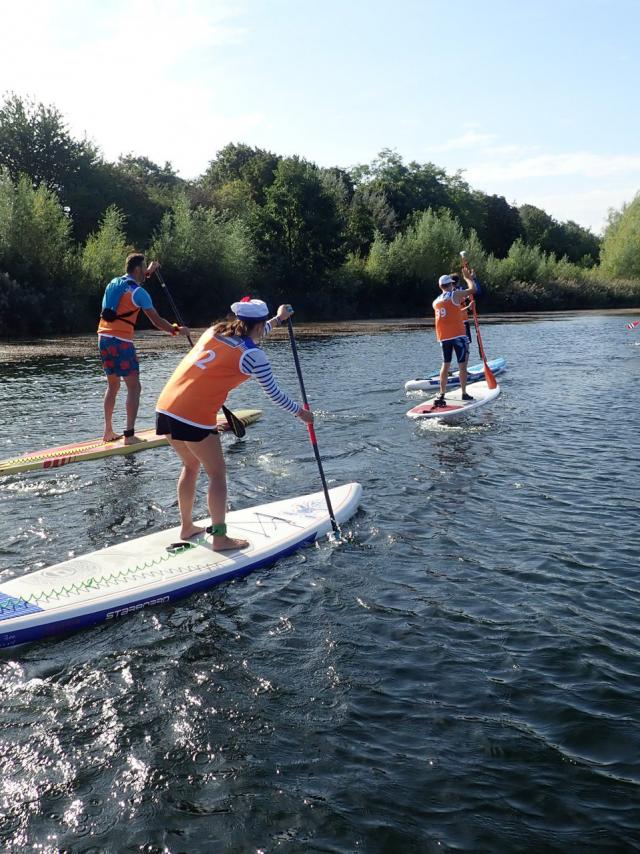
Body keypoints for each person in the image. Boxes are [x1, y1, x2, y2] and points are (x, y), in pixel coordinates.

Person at [155, 298, 314, 551]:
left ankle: (187, 527)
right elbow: (274, 394)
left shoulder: (215, 331)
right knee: (217, 475)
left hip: (165, 406)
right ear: (258, 325)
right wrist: (301, 413)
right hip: (193, 415)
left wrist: (278, 319)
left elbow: (252, 332)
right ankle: (220, 539)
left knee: (191, 465)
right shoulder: (253, 355)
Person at [97, 253, 189, 444]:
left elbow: (132, 284)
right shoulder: (139, 293)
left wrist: (149, 272)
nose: (146, 269)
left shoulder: (114, 283)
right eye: (144, 266)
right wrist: (177, 330)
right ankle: (129, 436)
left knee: (113, 386)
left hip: (103, 338)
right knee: (134, 387)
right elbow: (157, 321)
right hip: (121, 341)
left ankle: (108, 432)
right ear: (138, 268)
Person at [432, 269, 478, 407]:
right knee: (462, 365)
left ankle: (442, 394)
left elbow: (453, 312)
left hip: (443, 338)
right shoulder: (455, 294)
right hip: (458, 336)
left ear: (440, 286)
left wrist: (467, 307)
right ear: (451, 285)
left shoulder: (435, 302)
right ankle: (464, 393)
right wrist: (468, 278)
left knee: (445, 364)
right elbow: (473, 289)